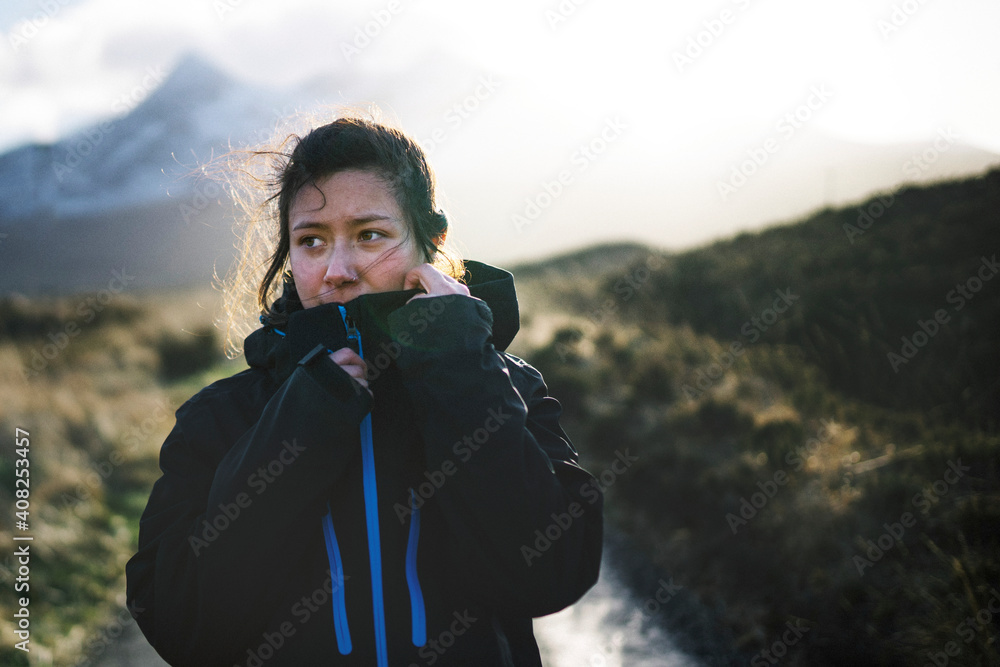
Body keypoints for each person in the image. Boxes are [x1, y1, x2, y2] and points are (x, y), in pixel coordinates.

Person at [125, 114, 603, 666]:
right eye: (311, 241)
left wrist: (456, 372)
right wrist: (299, 429)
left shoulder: (503, 386)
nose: (338, 270)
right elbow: (183, 628)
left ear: (431, 240)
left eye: (369, 235)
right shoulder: (222, 417)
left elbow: (550, 575)